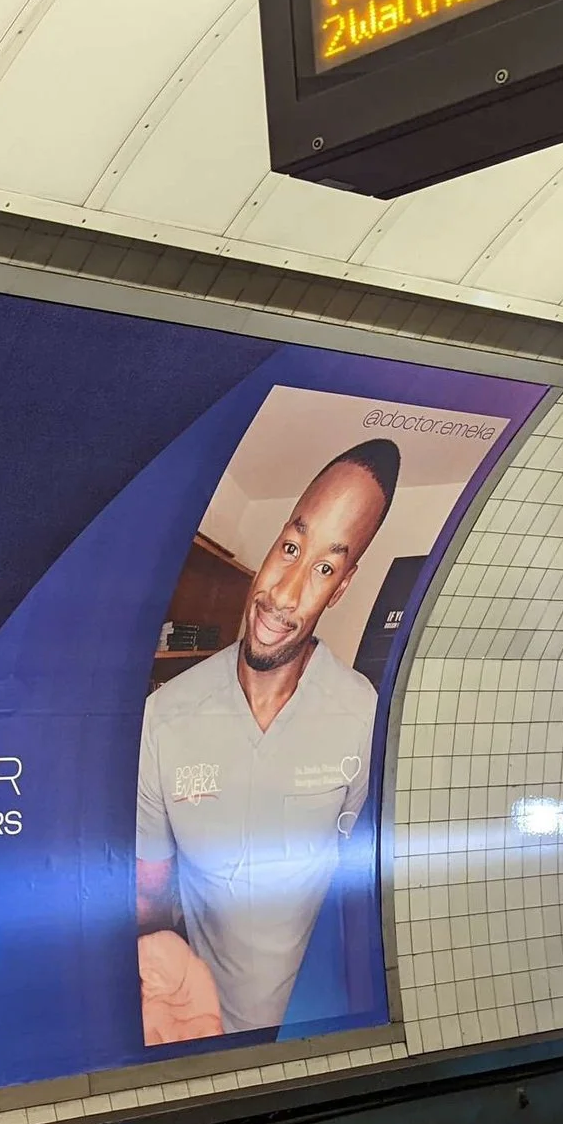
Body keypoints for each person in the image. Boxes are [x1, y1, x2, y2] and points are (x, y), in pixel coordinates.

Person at [136, 438, 401, 1038]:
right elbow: (149, 889)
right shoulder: (166, 715)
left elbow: (354, 885)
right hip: (201, 1030)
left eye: (325, 567)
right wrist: (163, 963)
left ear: (341, 588)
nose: (284, 593)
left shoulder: (363, 713)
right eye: (290, 547)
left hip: (324, 1030)